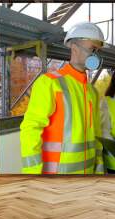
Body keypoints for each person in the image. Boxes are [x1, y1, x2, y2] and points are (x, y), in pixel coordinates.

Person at [20, 22, 106, 174]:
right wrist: (32, 173)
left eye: (98, 50)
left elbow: (97, 134)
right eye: (93, 49)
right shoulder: (49, 83)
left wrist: (99, 167)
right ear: (74, 48)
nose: (96, 55)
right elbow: (30, 129)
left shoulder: (92, 91)